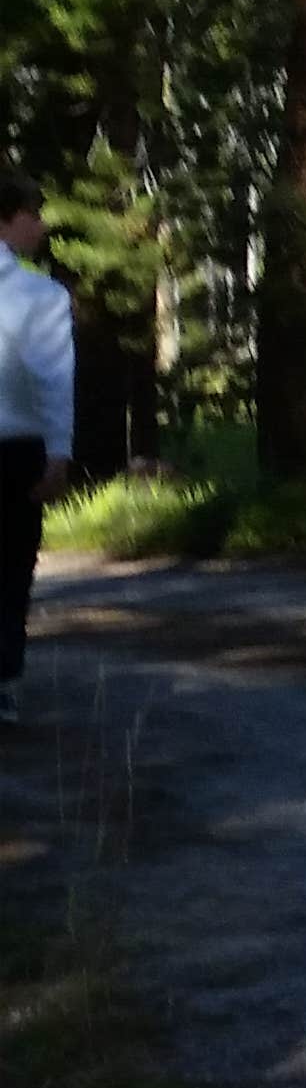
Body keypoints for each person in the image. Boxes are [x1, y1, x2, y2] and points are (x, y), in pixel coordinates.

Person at [0, 174, 67, 727]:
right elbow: (53, 381)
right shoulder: (40, 295)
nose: (41, 226)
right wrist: (59, 453)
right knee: (11, 566)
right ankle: (3, 679)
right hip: (15, 451)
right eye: (32, 214)